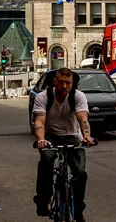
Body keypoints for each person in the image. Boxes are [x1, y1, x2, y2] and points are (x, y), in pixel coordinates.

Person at [32, 68, 94, 220]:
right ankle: (43, 200)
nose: (64, 86)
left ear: (72, 83)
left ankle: (78, 210)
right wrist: (41, 139)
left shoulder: (78, 96)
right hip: (51, 136)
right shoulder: (43, 97)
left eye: (68, 83)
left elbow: (83, 118)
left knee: (80, 172)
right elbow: (39, 120)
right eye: (61, 82)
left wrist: (86, 136)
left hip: (73, 136)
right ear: (55, 82)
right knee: (46, 160)